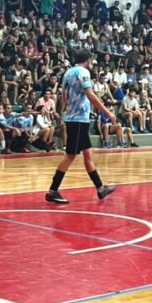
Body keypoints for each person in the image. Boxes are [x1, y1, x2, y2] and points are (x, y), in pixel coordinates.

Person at [45, 50, 116, 204]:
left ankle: (100, 188)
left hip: (76, 118)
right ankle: (52, 190)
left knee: (88, 155)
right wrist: (107, 112)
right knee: (70, 155)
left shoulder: (67, 73)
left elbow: (63, 95)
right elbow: (90, 94)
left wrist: (67, 109)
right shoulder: (83, 72)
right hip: (77, 120)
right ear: (87, 60)